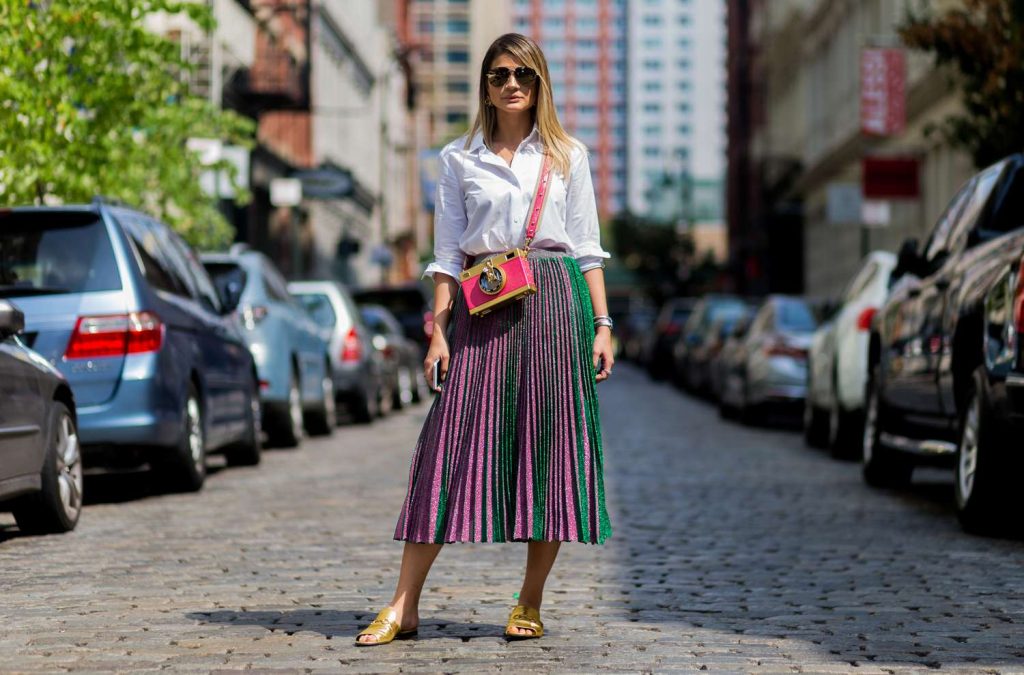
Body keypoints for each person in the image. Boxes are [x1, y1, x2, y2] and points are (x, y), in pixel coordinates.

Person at [355, 32, 614, 646]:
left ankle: (529, 600)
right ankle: (403, 604)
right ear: (486, 85)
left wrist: (603, 326)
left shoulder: (566, 155)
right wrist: (438, 332)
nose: (512, 84)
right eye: (499, 75)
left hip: (556, 304)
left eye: (523, 73)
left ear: (540, 81)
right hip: (482, 301)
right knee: (446, 447)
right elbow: (446, 255)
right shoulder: (458, 157)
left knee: (550, 453)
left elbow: (586, 250)